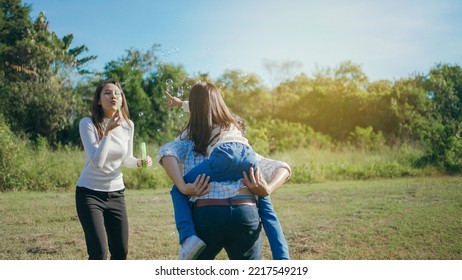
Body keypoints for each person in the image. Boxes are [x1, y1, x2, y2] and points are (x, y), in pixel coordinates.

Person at [159, 82, 290, 259]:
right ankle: (282, 258)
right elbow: (282, 167)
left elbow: (167, 151)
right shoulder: (236, 132)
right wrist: (268, 189)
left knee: (178, 190)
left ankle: (188, 238)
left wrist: (182, 185)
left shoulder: (189, 141)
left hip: (207, 214)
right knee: (266, 208)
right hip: (246, 209)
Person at [75, 78, 152, 260]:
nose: (113, 96)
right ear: (99, 101)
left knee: (120, 252)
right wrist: (108, 131)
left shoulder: (128, 125)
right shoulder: (88, 123)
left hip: (116, 194)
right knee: (99, 253)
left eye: (117, 93)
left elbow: (127, 160)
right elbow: (98, 162)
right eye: (107, 93)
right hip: (89, 194)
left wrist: (139, 162)